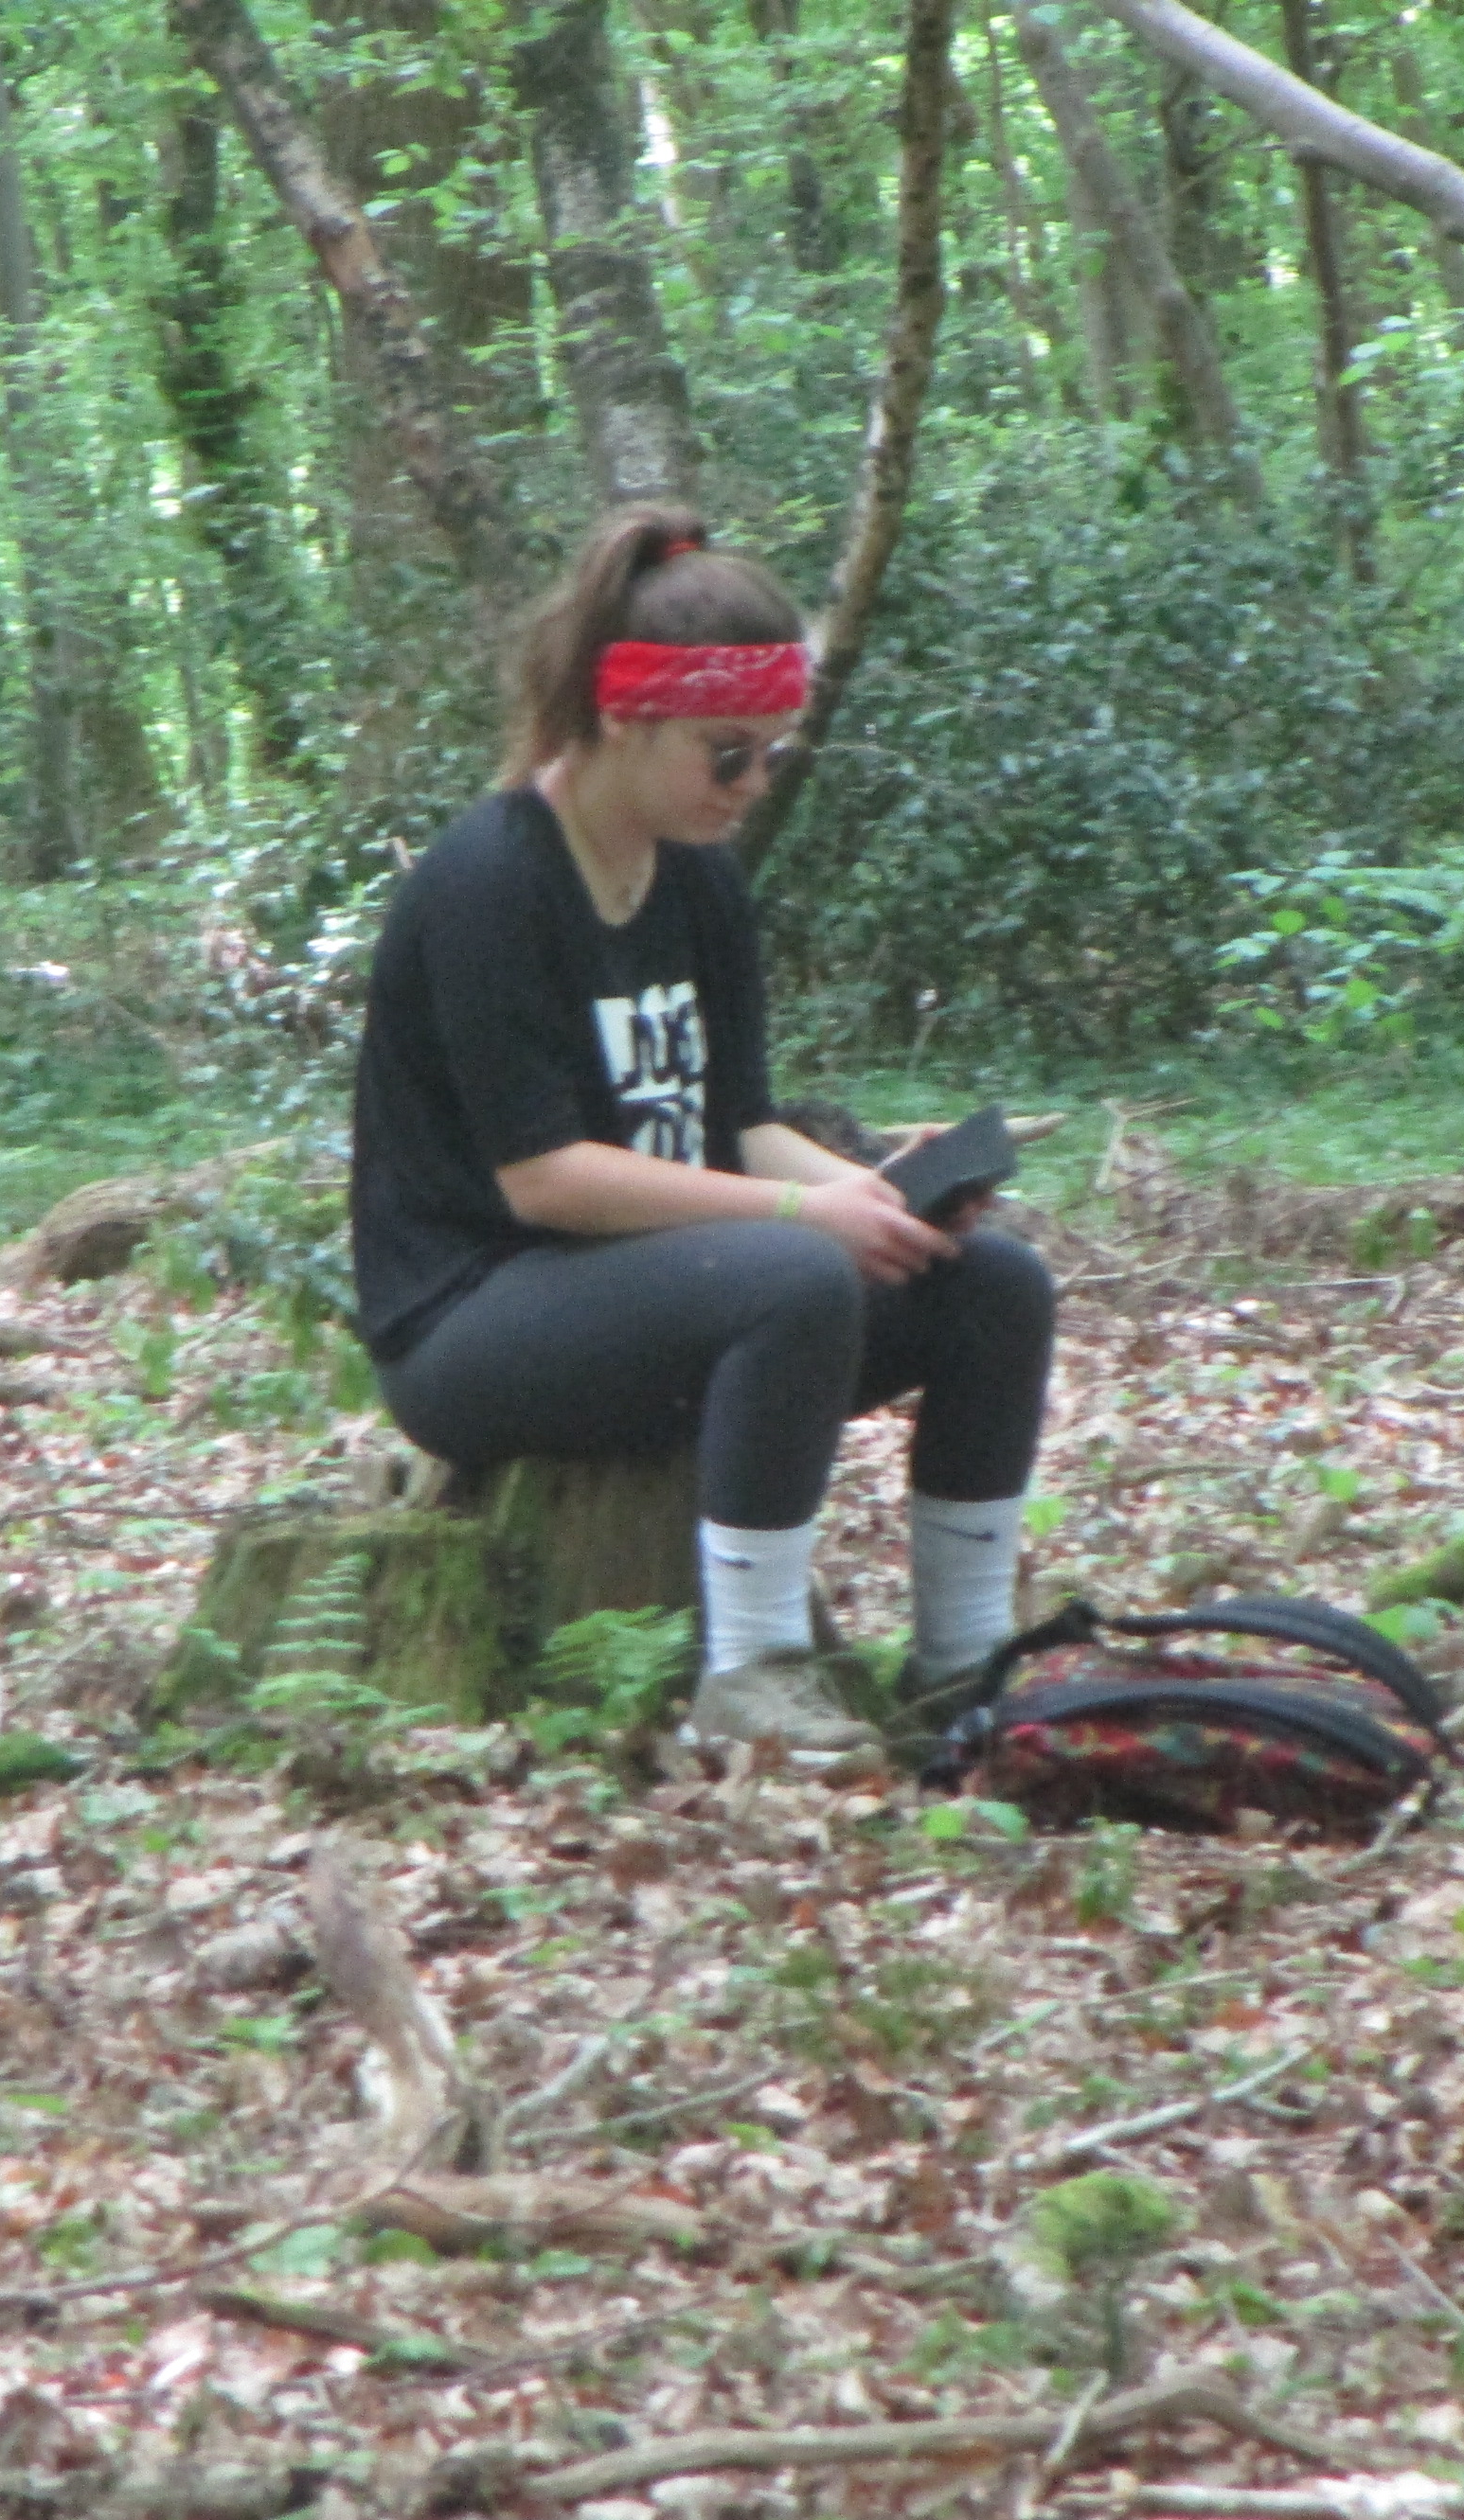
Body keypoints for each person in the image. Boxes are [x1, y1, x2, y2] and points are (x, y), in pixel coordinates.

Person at [348, 504, 1055, 1764]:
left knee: (991, 1282)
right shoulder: (490, 882)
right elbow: (545, 1181)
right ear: (624, 719)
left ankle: (963, 1663)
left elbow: (739, 1128)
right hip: (470, 1321)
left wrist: (881, 1191)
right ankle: (755, 1671)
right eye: (728, 757)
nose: (752, 787)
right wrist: (803, 1218)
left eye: (771, 756)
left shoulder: (699, 876)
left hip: (672, 1286)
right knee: (791, 1275)